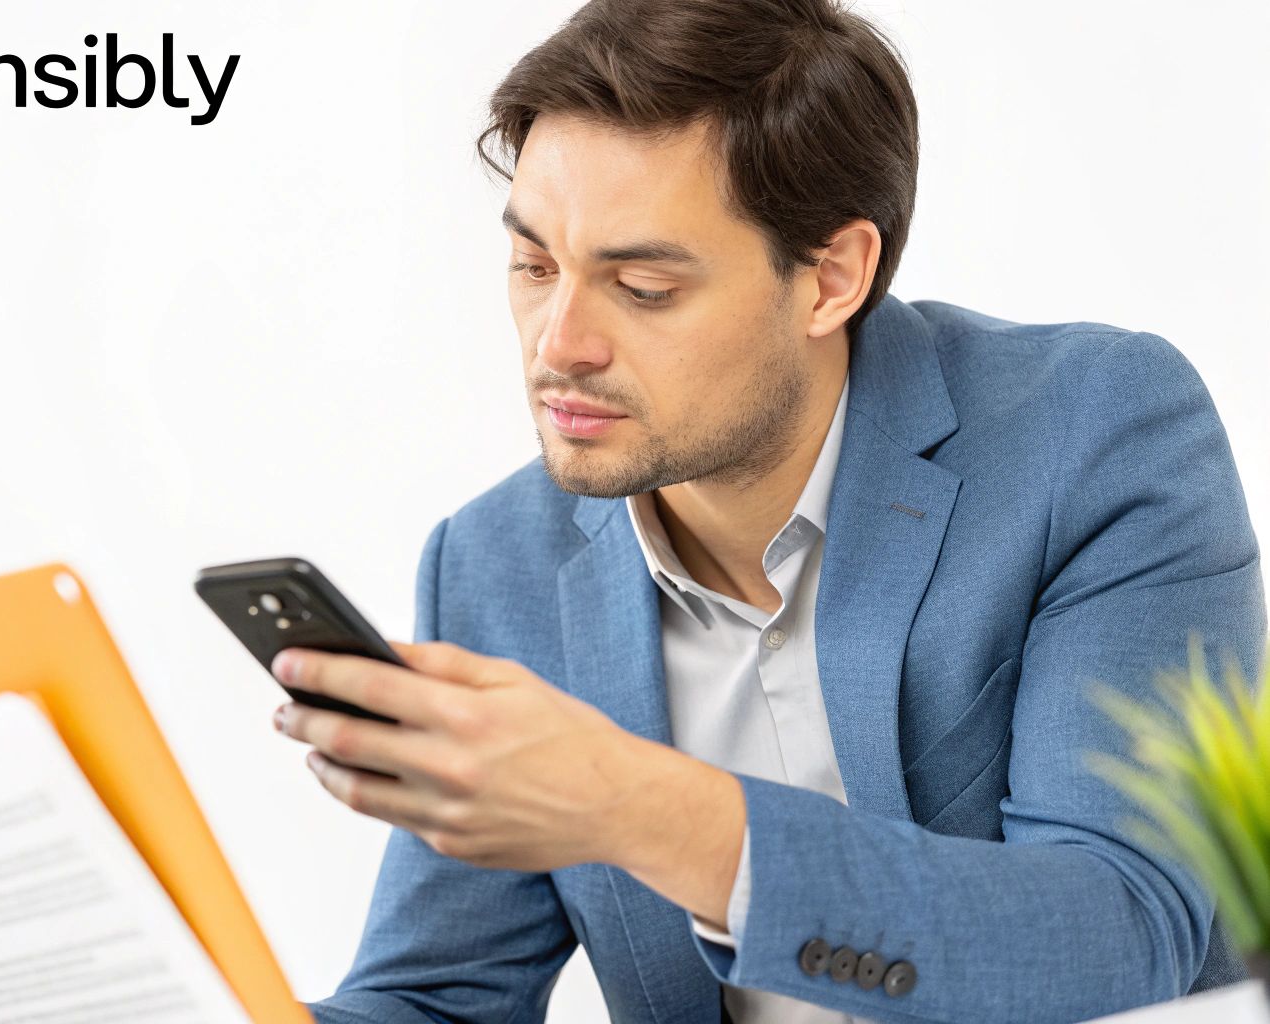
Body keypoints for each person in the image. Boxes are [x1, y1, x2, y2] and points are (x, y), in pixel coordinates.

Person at [270, 0, 1268, 1021]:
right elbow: (435, 1001)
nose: (557, 343)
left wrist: (631, 803)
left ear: (831, 277)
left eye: (642, 285)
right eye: (534, 266)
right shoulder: (495, 563)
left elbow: (1120, 931)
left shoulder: (1095, 435)